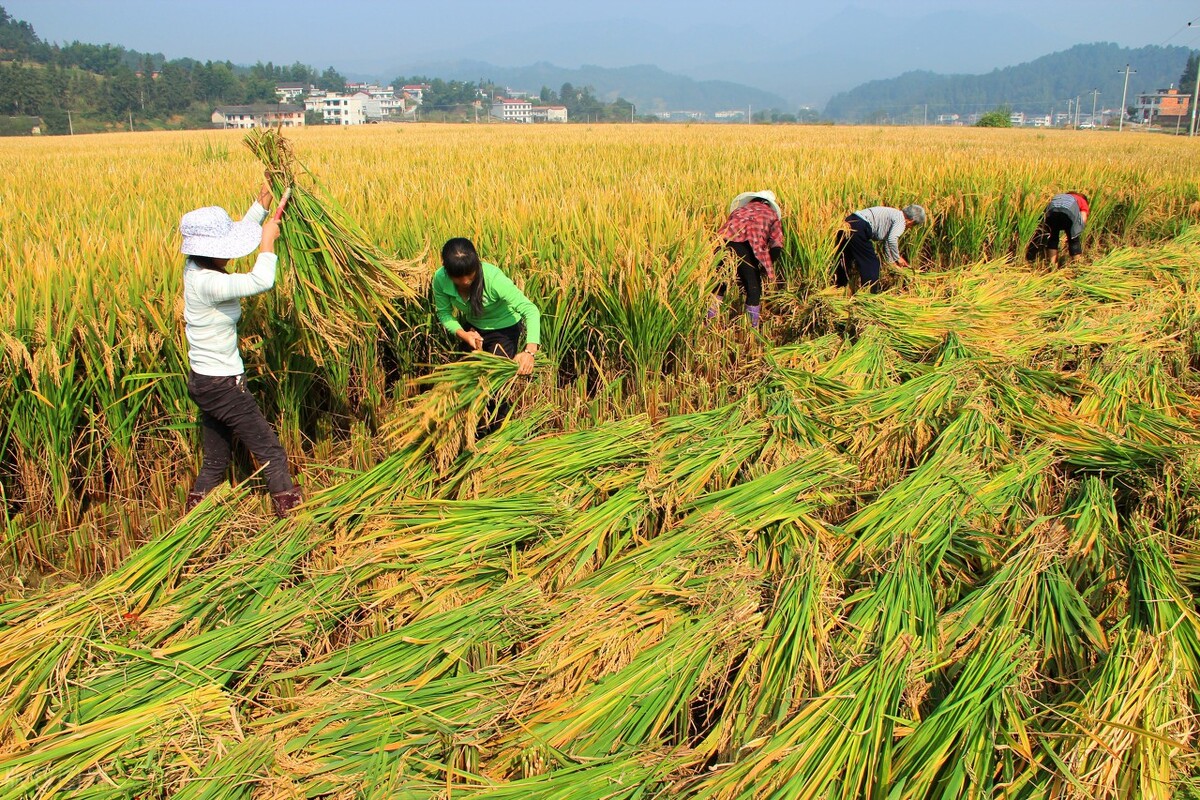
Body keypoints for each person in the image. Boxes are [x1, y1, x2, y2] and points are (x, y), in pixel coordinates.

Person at [181, 183, 303, 518]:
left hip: (203, 382)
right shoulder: (209, 282)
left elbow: (235, 236)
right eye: (227, 246)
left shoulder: (195, 267)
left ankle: (191, 521)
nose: (232, 252)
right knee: (271, 452)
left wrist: (261, 204)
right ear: (213, 249)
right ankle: (292, 519)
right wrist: (266, 243)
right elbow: (259, 282)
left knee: (216, 461)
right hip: (223, 386)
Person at [432, 237, 540, 374]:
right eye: (458, 277)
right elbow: (444, 313)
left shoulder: (493, 279)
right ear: (447, 272)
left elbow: (530, 310)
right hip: (473, 329)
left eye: (469, 275)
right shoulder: (440, 278)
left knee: (495, 379)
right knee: (466, 376)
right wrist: (465, 335)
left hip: (504, 329)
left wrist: (529, 352)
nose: (465, 282)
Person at [708, 190, 783, 328]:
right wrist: (764, 268)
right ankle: (751, 331)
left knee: (719, 287)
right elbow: (776, 247)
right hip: (744, 250)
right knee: (754, 290)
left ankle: (707, 325)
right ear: (769, 204)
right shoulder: (771, 215)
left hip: (721, 247)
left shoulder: (739, 210)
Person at [834, 204, 927, 293]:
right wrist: (897, 258)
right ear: (911, 220)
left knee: (845, 259)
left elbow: (887, 242)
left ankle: (839, 287)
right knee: (872, 264)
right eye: (913, 225)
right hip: (859, 227)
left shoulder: (895, 214)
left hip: (849, 222)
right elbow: (892, 239)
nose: (910, 228)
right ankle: (869, 296)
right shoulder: (901, 220)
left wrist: (891, 262)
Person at [1031, 192, 1089, 266]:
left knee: (1053, 238)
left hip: (1052, 212)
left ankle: (1052, 265)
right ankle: (1077, 265)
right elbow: (1083, 216)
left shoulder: (1060, 196)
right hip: (1068, 213)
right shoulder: (1082, 200)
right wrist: (1077, 230)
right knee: (1073, 240)